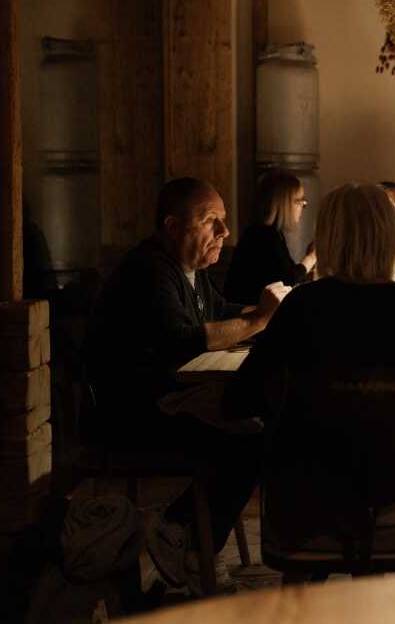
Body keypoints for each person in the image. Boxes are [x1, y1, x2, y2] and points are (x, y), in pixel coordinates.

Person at [222, 183, 395, 552]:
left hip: (312, 494)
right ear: (393, 236)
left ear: (325, 239)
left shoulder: (299, 308)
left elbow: (238, 401)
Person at [85, 177, 290, 592]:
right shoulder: (151, 268)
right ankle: (179, 535)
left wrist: (274, 312)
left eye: (224, 221)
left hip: (168, 397)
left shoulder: (189, 270)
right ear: (174, 227)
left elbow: (220, 312)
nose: (224, 233)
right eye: (210, 221)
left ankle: (190, 542)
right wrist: (258, 320)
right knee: (248, 439)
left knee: (255, 423)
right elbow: (181, 341)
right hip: (133, 413)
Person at [224, 170, 316, 304]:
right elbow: (286, 279)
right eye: (299, 201)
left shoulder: (270, 233)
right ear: (283, 203)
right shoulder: (263, 236)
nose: (303, 206)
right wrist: (312, 257)